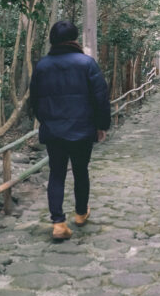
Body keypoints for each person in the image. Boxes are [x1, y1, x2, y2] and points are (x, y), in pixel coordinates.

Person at [29, 20, 111, 240]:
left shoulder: (42, 66)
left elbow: (34, 100)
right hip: (82, 129)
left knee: (56, 174)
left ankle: (58, 223)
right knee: (80, 171)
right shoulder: (86, 63)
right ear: (75, 39)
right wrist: (102, 125)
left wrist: (45, 120)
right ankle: (81, 213)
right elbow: (100, 97)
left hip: (54, 130)